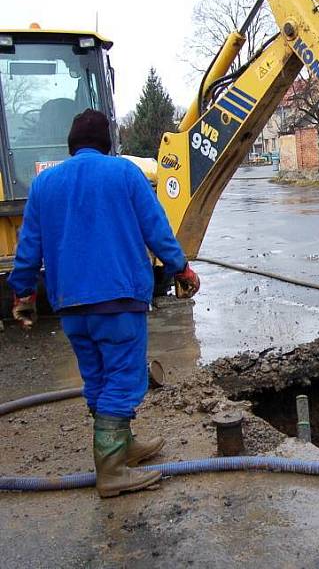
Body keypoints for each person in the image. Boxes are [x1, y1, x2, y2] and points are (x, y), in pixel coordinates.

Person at [8, 109, 200, 497]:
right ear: (106, 143)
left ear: (71, 145)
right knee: (124, 377)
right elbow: (157, 230)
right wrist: (181, 269)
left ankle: (121, 444)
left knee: (97, 377)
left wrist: (23, 293)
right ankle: (111, 470)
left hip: (70, 304)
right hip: (118, 298)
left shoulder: (44, 185)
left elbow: (28, 247)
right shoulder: (125, 174)